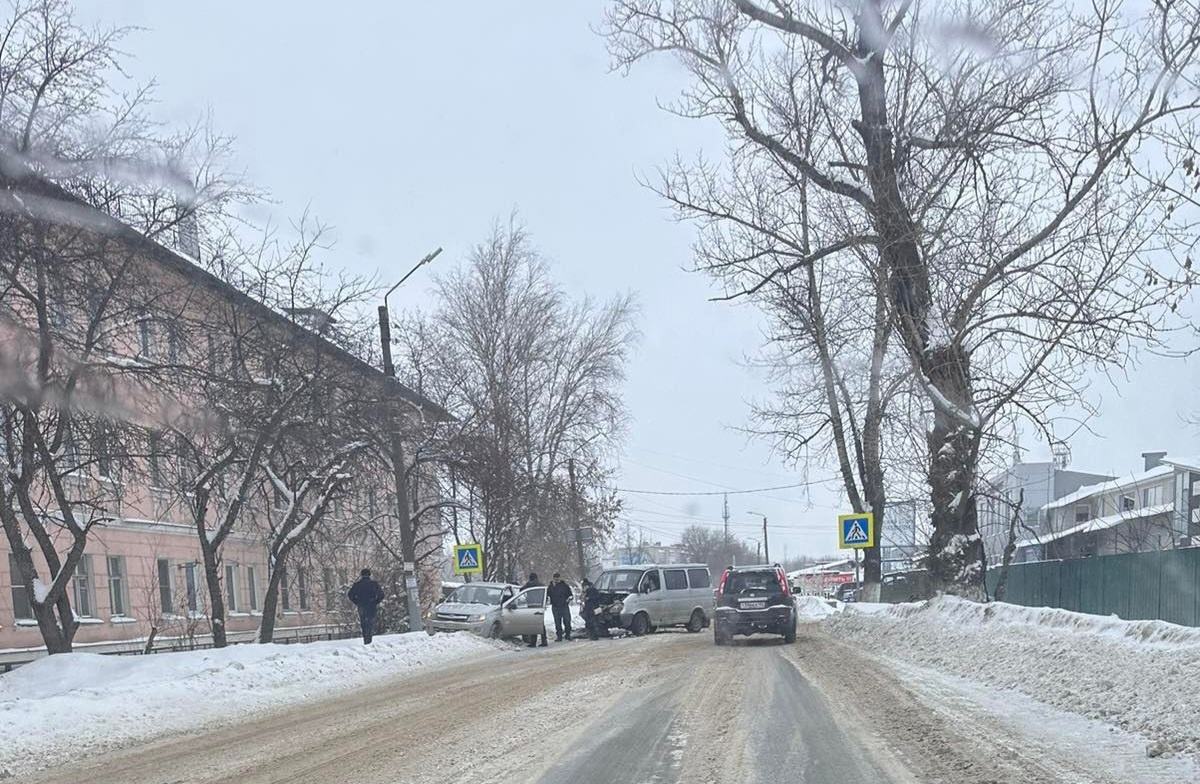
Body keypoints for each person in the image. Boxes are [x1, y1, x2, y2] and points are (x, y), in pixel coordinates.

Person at [347, 568, 384, 644]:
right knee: (370, 622)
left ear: (361, 575)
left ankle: (365, 639)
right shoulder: (374, 584)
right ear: (369, 575)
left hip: (361, 605)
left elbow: (350, 595)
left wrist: (357, 602)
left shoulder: (357, 584)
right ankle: (369, 639)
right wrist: (376, 602)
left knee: (363, 623)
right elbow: (381, 595)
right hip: (371, 605)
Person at [519, 572, 547, 648]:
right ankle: (544, 641)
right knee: (541, 624)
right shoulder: (541, 585)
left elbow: (521, 590)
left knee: (533, 624)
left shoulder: (529, 585)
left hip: (532, 606)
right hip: (540, 606)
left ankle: (533, 642)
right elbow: (546, 595)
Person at [547, 573, 574, 641]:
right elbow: (547, 595)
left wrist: (568, 600)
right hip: (555, 607)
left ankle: (568, 635)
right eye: (555, 578)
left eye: (557, 578)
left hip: (564, 606)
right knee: (557, 622)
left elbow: (570, 595)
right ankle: (559, 636)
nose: (556, 579)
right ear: (553, 578)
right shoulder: (551, 586)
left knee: (567, 621)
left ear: (560, 578)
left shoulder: (564, 586)